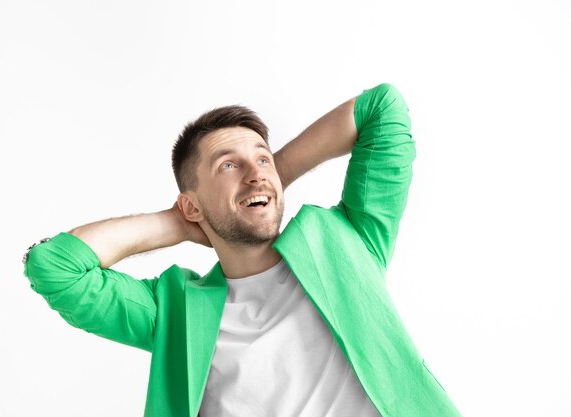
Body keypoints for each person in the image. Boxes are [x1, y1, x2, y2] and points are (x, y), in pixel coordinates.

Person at [23, 83, 461, 417]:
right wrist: (181, 221)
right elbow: (56, 269)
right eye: (228, 165)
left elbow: (382, 109)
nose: (254, 171)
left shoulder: (344, 240)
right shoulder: (173, 312)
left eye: (262, 157)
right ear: (192, 203)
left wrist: (270, 180)